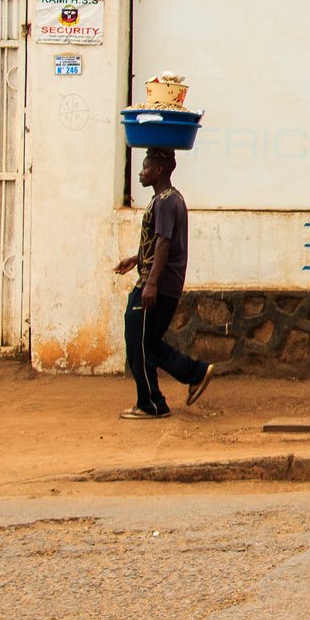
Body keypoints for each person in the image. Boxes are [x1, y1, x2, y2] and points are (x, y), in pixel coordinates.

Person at [113, 147, 215, 418]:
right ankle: (195, 373)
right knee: (148, 343)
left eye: (145, 167)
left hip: (156, 284)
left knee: (137, 342)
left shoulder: (166, 201)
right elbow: (161, 241)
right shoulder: (168, 199)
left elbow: (165, 242)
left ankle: (151, 404)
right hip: (160, 282)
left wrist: (151, 283)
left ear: (158, 170)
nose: (140, 172)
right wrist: (137, 258)